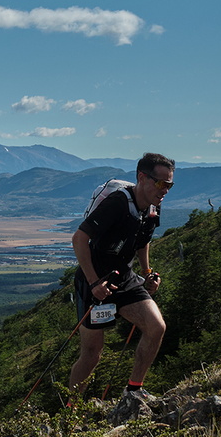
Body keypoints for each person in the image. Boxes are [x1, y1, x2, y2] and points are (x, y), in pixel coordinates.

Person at [69, 152, 175, 402]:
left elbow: (143, 241)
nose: (165, 190)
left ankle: (134, 390)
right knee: (92, 354)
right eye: (161, 183)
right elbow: (79, 239)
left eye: (169, 184)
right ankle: (70, 410)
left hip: (125, 277)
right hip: (94, 281)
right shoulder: (117, 203)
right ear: (142, 177)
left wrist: (147, 273)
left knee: (156, 327)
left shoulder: (153, 206)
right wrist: (94, 282)